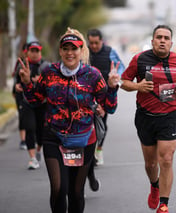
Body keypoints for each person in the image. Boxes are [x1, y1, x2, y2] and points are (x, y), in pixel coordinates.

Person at [18, 27, 120, 213]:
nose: (70, 52)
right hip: (54, 137)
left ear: (81, 51)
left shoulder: (93, 75)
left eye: (74, 48)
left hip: (84, 140)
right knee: (59, 188)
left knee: (75, 192)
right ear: (60, 51)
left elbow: (110, 108)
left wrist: (112, 88)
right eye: (66, 48)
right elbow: (35, 100)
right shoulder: (50, 72)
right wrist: (26, 84)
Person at [120, 25, 176, 213]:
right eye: (158, 37)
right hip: (145, 116)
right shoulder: (139, 59)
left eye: (166, 38)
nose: (162, 40)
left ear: (171, 42)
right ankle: (154, 185)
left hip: (169, 116)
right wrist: (138, 87)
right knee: (151, 163)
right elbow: (123, 82)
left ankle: (163, 204)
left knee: (167, 159)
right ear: (152, 41)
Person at [87, 28, 125, 166]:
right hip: (87, 94)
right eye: (91, 43)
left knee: (101, 123)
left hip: (105, 94)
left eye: (96, 43)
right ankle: (88, 153)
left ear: (101, 41)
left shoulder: (110, 52)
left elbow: (121, 68)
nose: (94, 46)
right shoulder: (85, 52)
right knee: (87, 123)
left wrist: (116, 76)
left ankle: (99, 149)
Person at [14, 41, 50, 169]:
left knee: (41, 131)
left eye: (37, 51)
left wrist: (40, 81)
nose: (34, 54)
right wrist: (18, 87)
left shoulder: (47, 66)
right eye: (32, 51)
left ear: (40, 52)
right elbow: (17, 83)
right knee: (29, 128)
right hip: (26, 102)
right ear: (27, 51)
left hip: (42, 103)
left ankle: (38, 149)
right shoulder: (21, 66)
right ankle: (32, 158)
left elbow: (52, 85)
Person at [12, 43, 28, 150]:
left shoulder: (38, 64)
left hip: (32, 95)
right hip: (20, 94)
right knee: (22, 116)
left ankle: (31, 137)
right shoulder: (20, 63)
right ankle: (23, 140)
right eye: (26, 50)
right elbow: (15, 78)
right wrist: (14, 90)